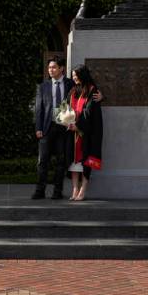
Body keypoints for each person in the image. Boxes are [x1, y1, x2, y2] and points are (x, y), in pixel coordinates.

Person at [32, 58, 74, 199]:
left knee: (61, 161)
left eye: (54, 67)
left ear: (62, 68)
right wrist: (38, 127)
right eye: (49, 67)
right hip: (46, 128)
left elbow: (83, 96)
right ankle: (40, 191)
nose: (50, 70)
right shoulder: (43, 86)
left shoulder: (70, 84)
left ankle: (58, 191)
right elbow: (39, 109)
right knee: (43, 160)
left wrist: (101, 97)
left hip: (63, 126)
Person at [67, 65, 103, 201]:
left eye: (76, 75)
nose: (74, 78)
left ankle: (83, 190)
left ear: (83, 75)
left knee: (86, 161)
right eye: (73, 75)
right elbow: (66, 106)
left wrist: (78, 126)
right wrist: (66, 121)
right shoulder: (73, 90)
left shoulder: (92, 90)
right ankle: (75, 189)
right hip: (72, 132)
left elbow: (89, 111)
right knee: (73, 163)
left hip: (86, 133)